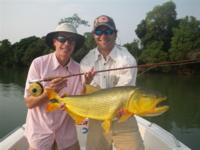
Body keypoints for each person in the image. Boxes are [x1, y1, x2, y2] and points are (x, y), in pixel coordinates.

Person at [80, 15, 145, 150]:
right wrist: (85, 84)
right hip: (97, 118)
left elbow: (123, 97)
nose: (103, 35)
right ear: (94, 35)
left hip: (124, 118)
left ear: (115, 34)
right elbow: (87, 95)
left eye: (108, 31)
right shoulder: (86, 61)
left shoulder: (127, 60)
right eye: (99, 32)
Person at [24, 22, 85, 150]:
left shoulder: (79, 69)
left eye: (71, 40)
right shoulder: (38, 64)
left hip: (67, 137)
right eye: (62, 39)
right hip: (40, 136)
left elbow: (79, 102)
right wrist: (48, 92)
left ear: (74, 45)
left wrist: (87, 83)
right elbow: (29, 102)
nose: (67, 43)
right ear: (54, 42)